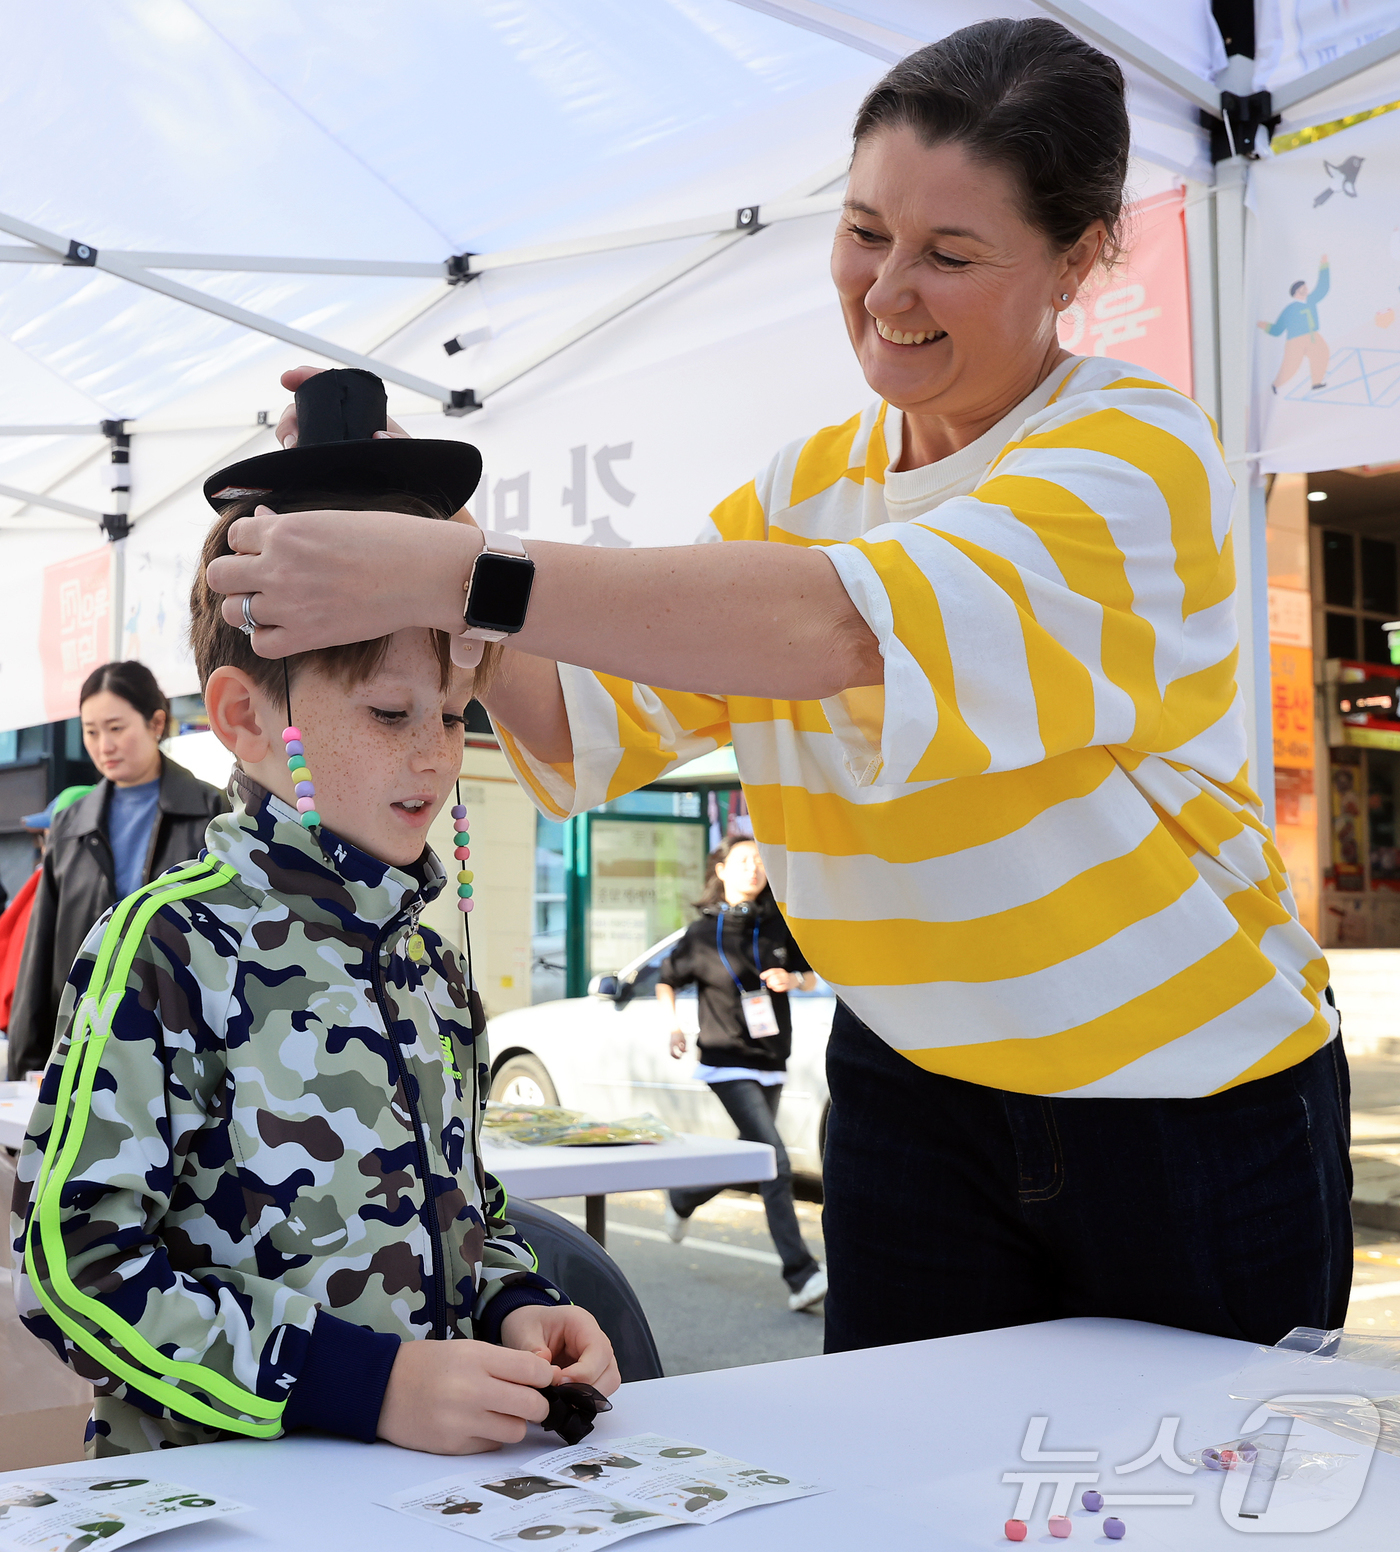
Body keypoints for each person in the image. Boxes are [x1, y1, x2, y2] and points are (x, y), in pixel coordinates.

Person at [206, 20, 1350, 1357]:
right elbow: (587, 717)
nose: (887, 290)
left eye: (952, 254)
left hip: (1187, 1110)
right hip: (908, 1093)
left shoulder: (1137, 457)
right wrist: (405, 522)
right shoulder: (805, 485)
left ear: (1083, 259)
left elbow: (846, 630)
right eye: (866, 230)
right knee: (904, 1493)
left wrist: (458, 571)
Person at [11, 372, 617, 1458]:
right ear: (246, 717)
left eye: (450, 711)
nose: (434, 753)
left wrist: (509, 1306)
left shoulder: (426, 958)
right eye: (389, 712)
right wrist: (365, 1384)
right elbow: (76, 1264)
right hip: (232, 1500)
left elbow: (463, 1202)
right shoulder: (170, 944)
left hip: (421, 1504)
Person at [6, 662, 227, 1079]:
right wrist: (24, 1069)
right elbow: (40, 955)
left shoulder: (212, 813)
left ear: (156, 722)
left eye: (116, 728)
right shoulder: (70, 825)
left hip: (182, 1045)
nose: (103, 745)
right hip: (83, 1044)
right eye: (91, 731)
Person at [656, 837, 825, 1312]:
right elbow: (667, 978)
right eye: (744, 861)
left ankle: (684, 1198)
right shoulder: (700, 932)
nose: (755, 869)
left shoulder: (779, 923)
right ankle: (802, 1274)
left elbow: (811, 973)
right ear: (723, 869)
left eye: (761, 862)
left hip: (771, 1059)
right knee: (774, 1161)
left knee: (749, 1154)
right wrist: (673, 1025)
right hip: (725, 1059)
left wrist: (793, 980)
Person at [0, 788, 92, 1040]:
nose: (46, 843)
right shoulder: (44, 881)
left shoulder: (63, 887)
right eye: (45, 835)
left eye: (52, 834)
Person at [1259, 256, 1330, 392]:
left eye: (1305, 287)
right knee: (1291, 366)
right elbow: (1277, 330)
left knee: (1322, 354)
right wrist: (1265, 326)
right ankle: (1276, 385)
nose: (1305, 289)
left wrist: (1324, 267)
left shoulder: (1311, 301)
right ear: (1296, 292)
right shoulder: (1290, 309)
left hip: (1313, 336)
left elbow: (1323, 288)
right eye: (1301, 288)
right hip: (1295, 341)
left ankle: (1316, 382)